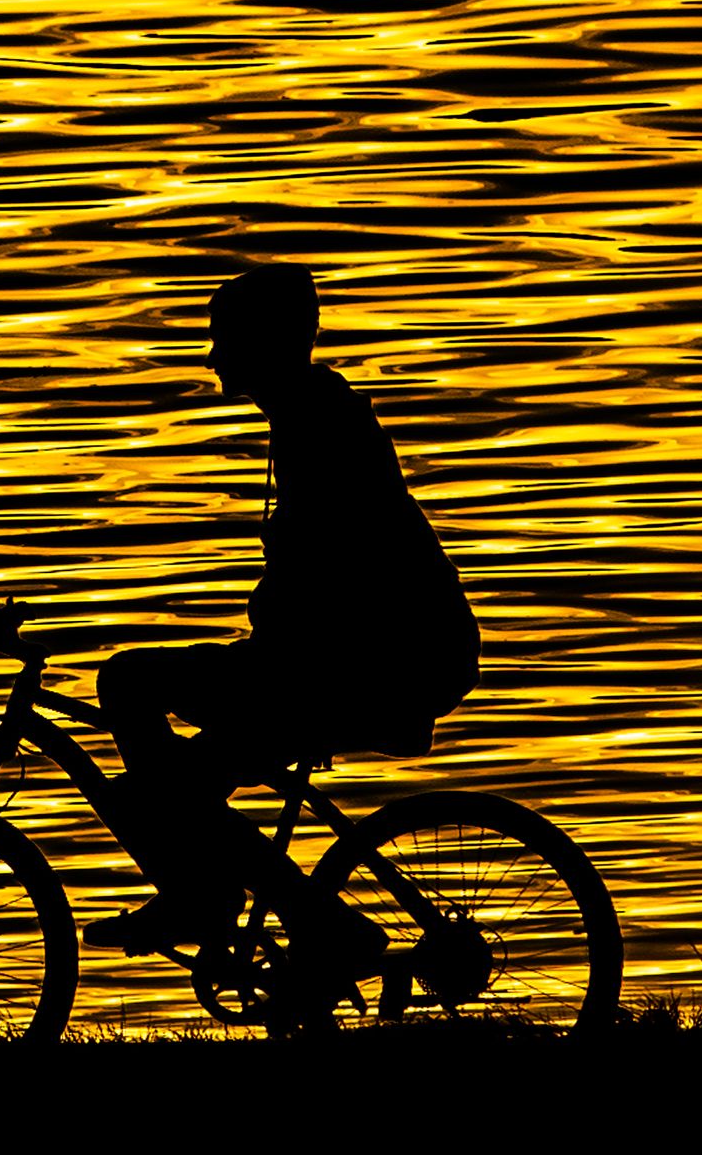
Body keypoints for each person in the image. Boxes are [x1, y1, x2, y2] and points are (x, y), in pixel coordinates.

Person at [85, 265, 479, 963]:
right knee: (155, 751)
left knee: (142, 724)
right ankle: (221, 891)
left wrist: (271, 625)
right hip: (350, 655)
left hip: (375, 663)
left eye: (223, 339)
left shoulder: (317, 427)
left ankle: (243, 902)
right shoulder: (308, 414)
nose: (212, 358)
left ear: (261, 341)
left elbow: (335, 570)